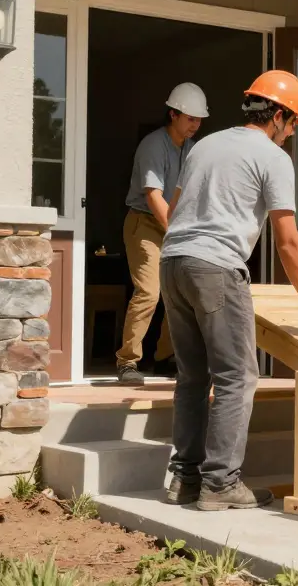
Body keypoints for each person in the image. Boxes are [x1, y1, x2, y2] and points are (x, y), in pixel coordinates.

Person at [160, 70, 298, 511]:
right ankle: (220, 484)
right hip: (215, 267)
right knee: (238, 376)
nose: (292, 133)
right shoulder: (272, 157)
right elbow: (288, 239)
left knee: (194, 377)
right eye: (292, 122)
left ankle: (185, 480)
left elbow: (176, 210)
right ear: (277, 115)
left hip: (173, 261)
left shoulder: (204, 145)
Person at [117, 82, 206, 385]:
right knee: (150, 292)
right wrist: (176, 230)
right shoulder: (153, 145)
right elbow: (153, 195)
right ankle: (127, 362)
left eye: (199, 119)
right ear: (173, 114)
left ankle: (167, 359)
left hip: (176, 226)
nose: (196, 125)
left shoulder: (194, 150)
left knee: (178, 294)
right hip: (144, 223)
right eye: (190, 118)